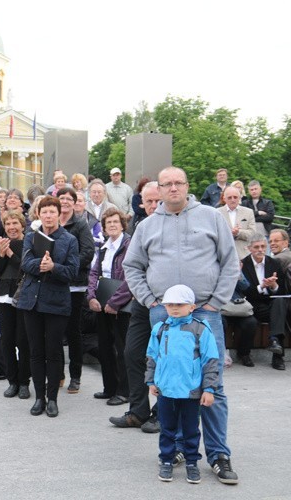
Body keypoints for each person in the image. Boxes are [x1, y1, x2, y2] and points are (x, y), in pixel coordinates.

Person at [123, 166, 240, 485]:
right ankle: (175, 446)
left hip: (206, 312)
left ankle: (218, 454)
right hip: (164, 315)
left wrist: (216, 302)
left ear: (187, 186)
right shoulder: (147, 226)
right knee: (170, 384)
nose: (173, 188)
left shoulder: (211, 217)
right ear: (157, 190)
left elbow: (230, 262)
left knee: (211, 385)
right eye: (166, 184)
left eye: (178, 183)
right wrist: (149, 300)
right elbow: (131, 266)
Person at [146, 284, 219, 484]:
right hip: (166, 390)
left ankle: (192, 463)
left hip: (191, 391)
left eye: (180, 304)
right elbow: (152, 356)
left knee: (191, 430)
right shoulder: (160, 329)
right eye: (170, 305)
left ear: (191, 306)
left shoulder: (201, 329)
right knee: (167, 428)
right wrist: (151, 380)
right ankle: (166, 461)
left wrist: (209, 389)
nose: (174, 308)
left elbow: (211, 360)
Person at [17, 196, 79, 418]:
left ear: (59, 214)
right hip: (31, 301)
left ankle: (52, 398)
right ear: (38, 214)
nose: (49, 216)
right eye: (45, 212)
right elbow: (25, 263)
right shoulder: (31, 237)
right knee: (35, 351)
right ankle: (39, 398)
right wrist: (41, 265)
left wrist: (53, 267)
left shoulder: (69, 239)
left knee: (53, 352)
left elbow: (72, 271)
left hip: (56, 302)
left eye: (53, 212)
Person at [110, 181, 162, 433]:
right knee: (132, 352)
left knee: (163, 358)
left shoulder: (174, 225)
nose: (153, 205)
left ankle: (161, 413)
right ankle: (138, 410)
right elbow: (133, 267)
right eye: (148, 201)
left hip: (168, 304)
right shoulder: (141, 226)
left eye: (157, 200)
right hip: (143, 301)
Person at [87, 208, 133, 404]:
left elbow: (131, 278)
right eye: (108, 223)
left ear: (122, 224)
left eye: (116, 221)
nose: (112, 225)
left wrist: (115, 303)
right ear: (104, 228)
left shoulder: (130, 246)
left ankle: (124, 391)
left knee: (122, 350)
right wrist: (91, 297)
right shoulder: (103, 248)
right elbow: (93, 274)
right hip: (102, 303)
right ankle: (109, 388)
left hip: (121, 305)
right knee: (105, 347)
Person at [0, 210, 31, 399]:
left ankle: (24, 382)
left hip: (22, 296)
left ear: (22, 225)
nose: (12, 227)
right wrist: (1, 255)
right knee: (7, 341)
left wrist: (11, 253)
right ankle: (12, 381)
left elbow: (26, 268)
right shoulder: (0, 244)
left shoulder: (29, 243)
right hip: (4, 295)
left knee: (23, 341)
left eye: (15, 223)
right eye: (8, 224)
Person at [56, 187, 95, 393]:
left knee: (73, 332)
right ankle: (58, 374)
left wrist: (67, 268)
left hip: (75, 285)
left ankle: (75, 377)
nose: (64, 202)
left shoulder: (80, 225)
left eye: (68, 199)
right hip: (55, 284)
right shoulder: (52, 224)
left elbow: (88, 251)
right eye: (61, 198)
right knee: (55, 332)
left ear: (74, 202)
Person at [228, 234, 288, 370]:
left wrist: (273, 286)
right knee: (276, 315)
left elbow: (281, 291)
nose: (260, 250)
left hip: (271, 303)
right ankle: (274, 349)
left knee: (279, 303)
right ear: (249, 248)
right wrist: (261, 287)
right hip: (251, 304)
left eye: (263, 246)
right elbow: (245, 291)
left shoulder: (274, 263)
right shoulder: (244, 264)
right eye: (256, 247)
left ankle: (275, 344)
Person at [217, 186, 256, 259]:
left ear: (239, 198)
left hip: (244, 255)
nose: (233, 200)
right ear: (224, 199)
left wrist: (238, 233)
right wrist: (228, 232)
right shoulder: (217, 213)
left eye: (235, 197)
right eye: (229, 197)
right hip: (223, 254)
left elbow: (252, 233)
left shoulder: (248, 212)